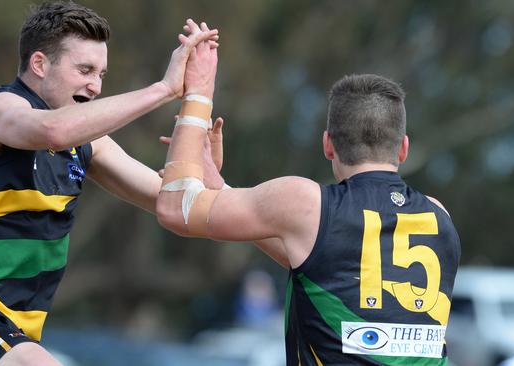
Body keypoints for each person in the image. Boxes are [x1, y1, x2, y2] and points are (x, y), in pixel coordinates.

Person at [0, 2, 221, 365]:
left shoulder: (88, 144)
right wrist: (165, 88)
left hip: (17, 335)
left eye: (102, 74)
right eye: (85, 70)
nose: (95, 86)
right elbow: (54, 130)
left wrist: (204, 171)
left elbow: (174, 203)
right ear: (40, 64)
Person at [156, 37, 461, 365]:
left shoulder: (307, 203)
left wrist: (198, 93)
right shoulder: (437, 214)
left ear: (328, 145)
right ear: (403, 148)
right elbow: (317, 260)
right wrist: (221, 191)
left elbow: (176, 208)